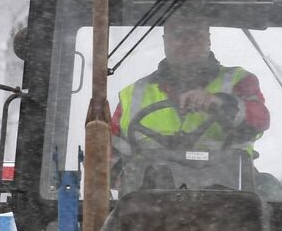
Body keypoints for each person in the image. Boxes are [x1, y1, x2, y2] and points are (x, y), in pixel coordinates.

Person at [111, 16, 270, 154]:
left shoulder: (238, 81)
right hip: (151, 185)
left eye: (194, 34)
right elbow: (106, 150)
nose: (186, 42)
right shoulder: (132, 94)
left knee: (269, 187)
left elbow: (259, 120)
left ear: (208, 40)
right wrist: (118, 172)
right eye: (178, 35)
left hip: (230, 185)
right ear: (165, 40)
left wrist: (221, 103)